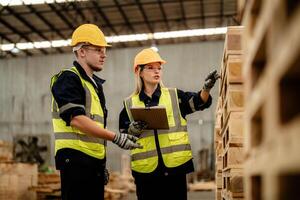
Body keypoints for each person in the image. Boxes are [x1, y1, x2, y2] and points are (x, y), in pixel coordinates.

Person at [50, 24, 141, 200]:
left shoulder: (94, 85)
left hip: (90, 165)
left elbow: (94, 133)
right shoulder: (68, 79)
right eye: (98, 50)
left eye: (104, 50)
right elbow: (76, 119)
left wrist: (100, 165)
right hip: (75, 163)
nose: (104, 54)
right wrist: (115, 137)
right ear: (82, 51)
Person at [119, 48, 220, 200]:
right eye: (150, 68)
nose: (156, 71)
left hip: (175, 170)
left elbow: (198, 102)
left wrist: (206, 88)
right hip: (146, 173)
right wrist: (132, 131)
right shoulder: (129, 104)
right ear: (139, 72)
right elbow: (123, 137)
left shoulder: (174, 96)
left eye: (159, 68)